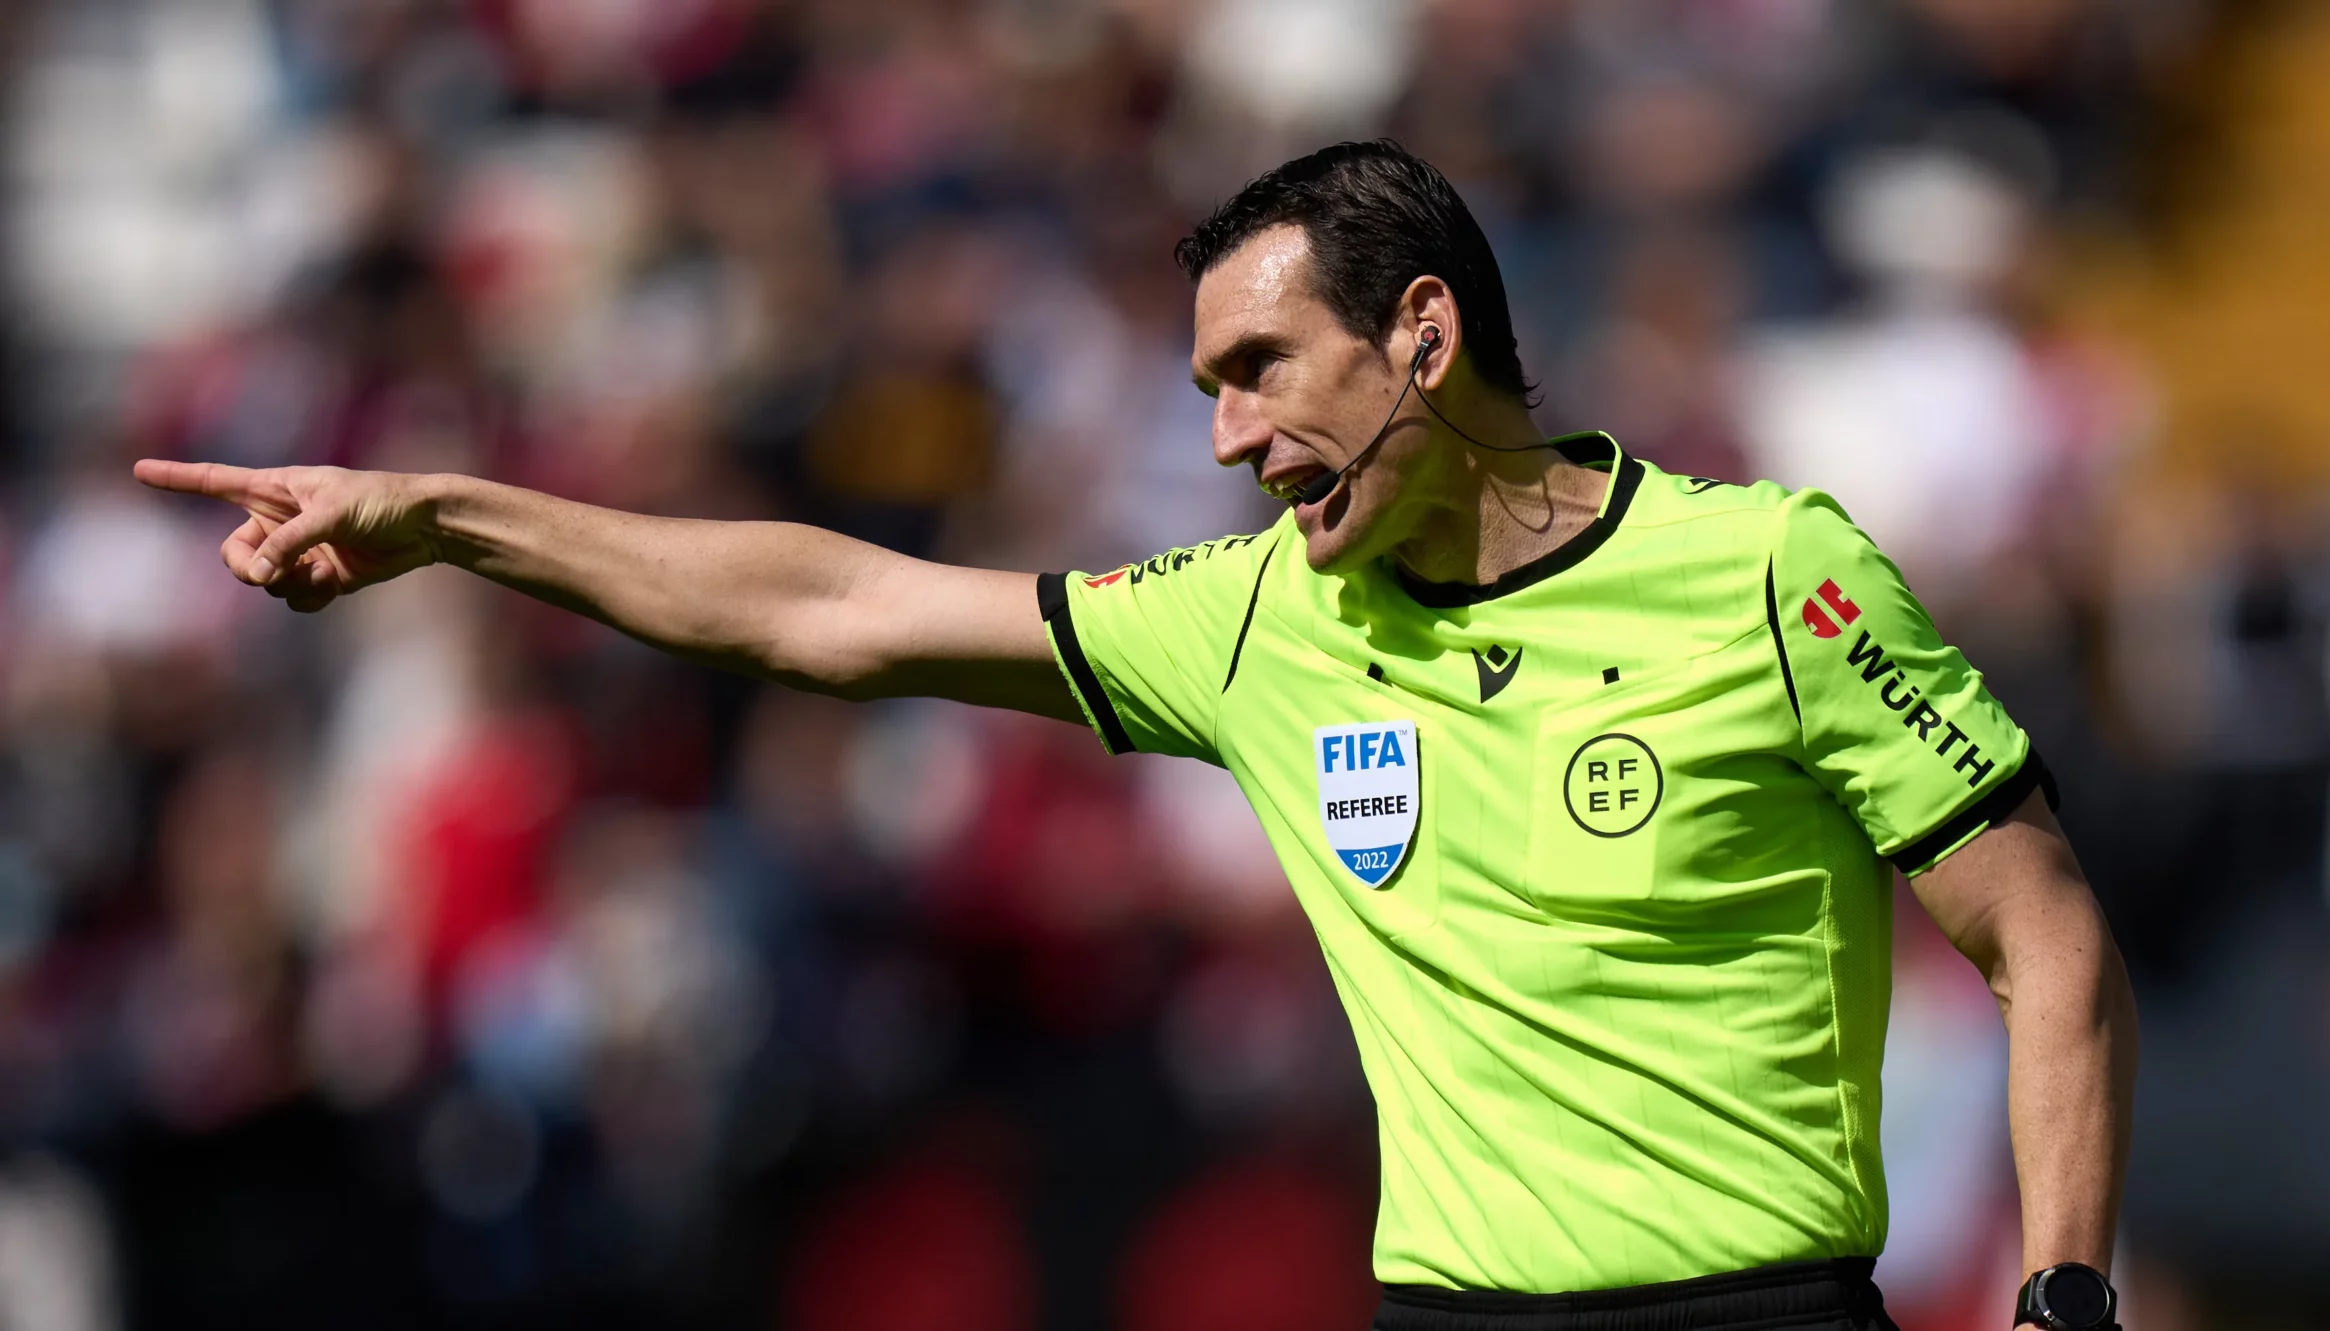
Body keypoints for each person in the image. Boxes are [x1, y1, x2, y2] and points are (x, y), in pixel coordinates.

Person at [137, 141, 2136, 1331]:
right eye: (1202, 390)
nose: (1229, 437)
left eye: (1261, 368)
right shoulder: (1257, 620)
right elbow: (833, 611)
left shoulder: (1767, 572)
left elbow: (2040, 934)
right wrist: (451, 517)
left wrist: (2060, 1297)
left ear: (1424, 335)